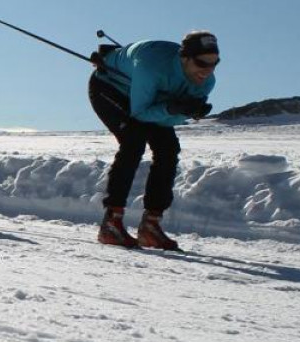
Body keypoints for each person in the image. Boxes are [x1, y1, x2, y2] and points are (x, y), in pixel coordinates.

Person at [88, 31, 219, 250]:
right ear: (184, 57)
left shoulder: (206, 81)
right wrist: (172, 108)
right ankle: (111, 222)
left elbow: (171, 119)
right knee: (133, 142)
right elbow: (140, 113)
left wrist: (184, 111)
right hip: (109, 88)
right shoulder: (152, 67)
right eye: (201, 63)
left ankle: (151, 226)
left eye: (214, 64)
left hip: (153, 98)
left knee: (168, 149)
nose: (207, 71)